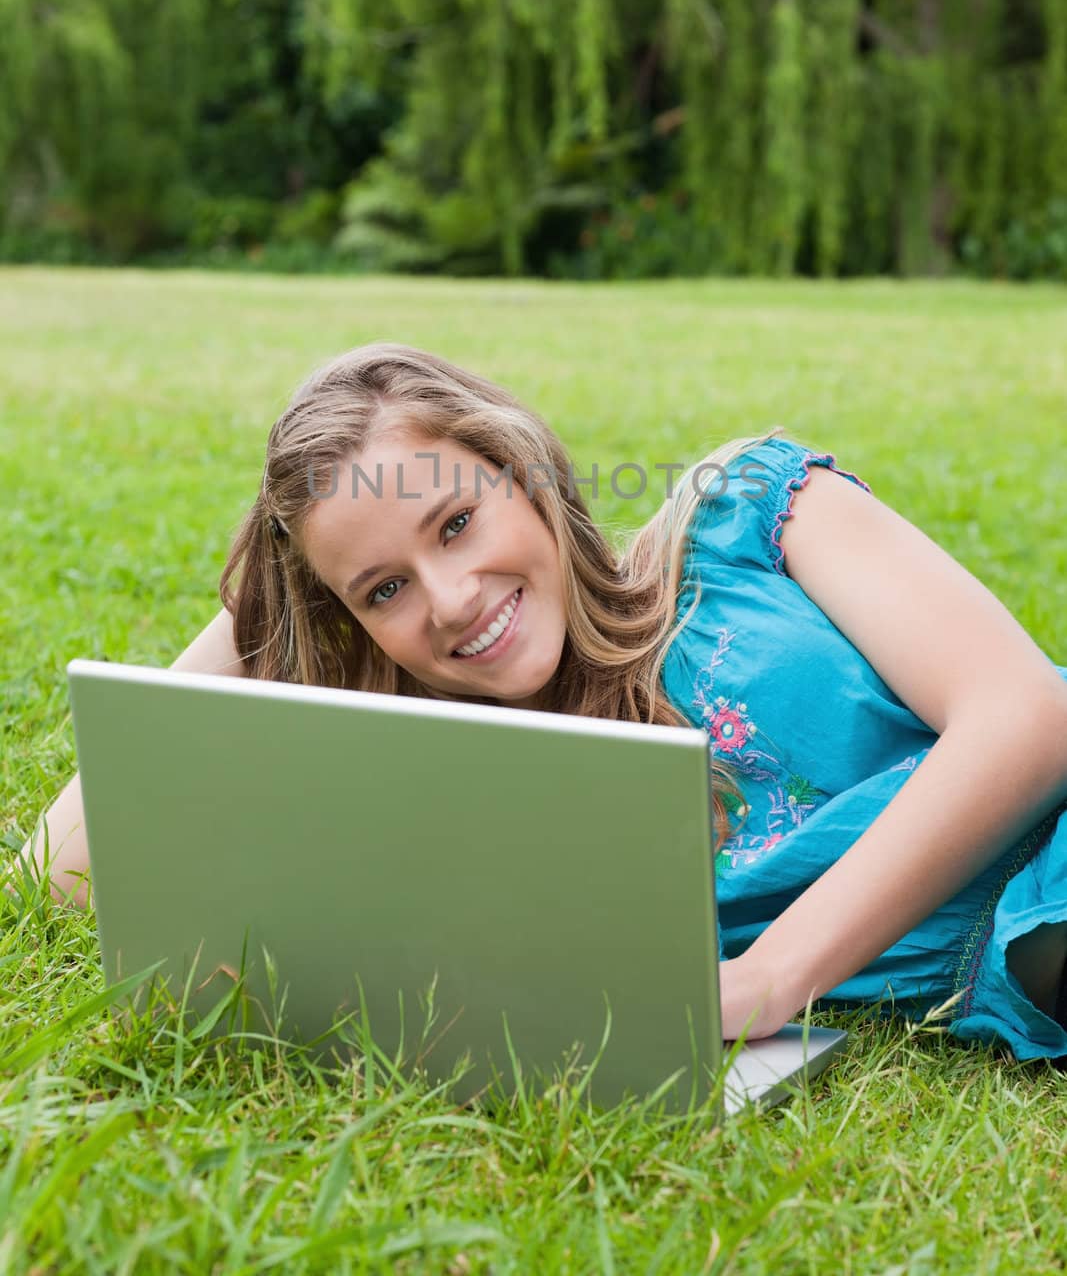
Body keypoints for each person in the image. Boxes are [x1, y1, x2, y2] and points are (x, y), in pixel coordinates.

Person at [16, 342, 1067, 1057]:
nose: (450, 601)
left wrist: (764, 978)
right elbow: (57, 870)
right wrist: (264, 604)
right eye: (381, 589)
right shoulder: (472, 787)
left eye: (456, 524)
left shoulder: (743, 511)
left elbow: (1026, 715)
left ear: (520, 469)